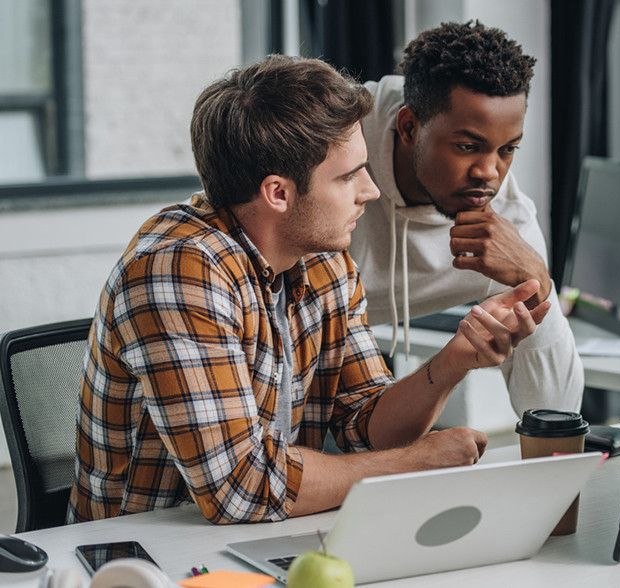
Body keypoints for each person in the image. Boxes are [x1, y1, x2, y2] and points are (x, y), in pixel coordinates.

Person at [68, 55, 549, 525]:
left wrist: (455, 360)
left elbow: (366, 430)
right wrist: (417, 461)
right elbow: (241, 490)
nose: (371, 190)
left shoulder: (323, 260)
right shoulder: (178, 271)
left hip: (273, 533)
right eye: (347, 176)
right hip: (139, 558)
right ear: (278, 193)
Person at [351, 21, 584, 417]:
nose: (489, 173)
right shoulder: (337, 143)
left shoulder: (507, 220)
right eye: (467, 146)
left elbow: (554, 413)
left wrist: (538, 282)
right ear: (409, 127)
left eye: (507, 149)